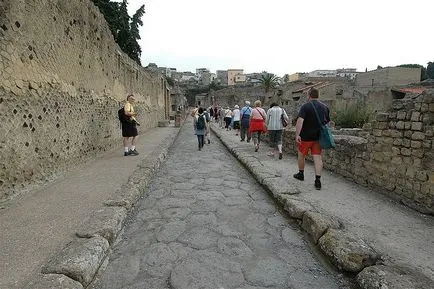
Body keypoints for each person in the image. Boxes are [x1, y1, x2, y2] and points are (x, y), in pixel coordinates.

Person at [293, 87, 331, 190]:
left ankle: (301, 174)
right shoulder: (325, 107)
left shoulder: (305, 107)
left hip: (306, 137)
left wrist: (297, 135)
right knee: (317, 157)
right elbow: (328, 123)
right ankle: (317, 180)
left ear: (309, 95)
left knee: (301, 155)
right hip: (318, 137)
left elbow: (300, 121)